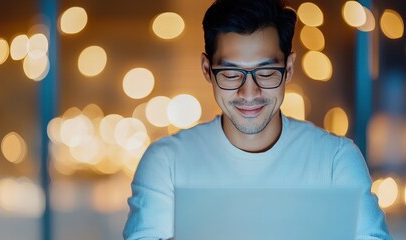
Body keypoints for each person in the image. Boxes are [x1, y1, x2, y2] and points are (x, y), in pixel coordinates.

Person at [123, 0, 392, 239]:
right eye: (231, 74)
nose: (249, 93)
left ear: (288, 69)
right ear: (207, 70)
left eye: (266, 72)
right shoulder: (166, 163)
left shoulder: (335, 160)